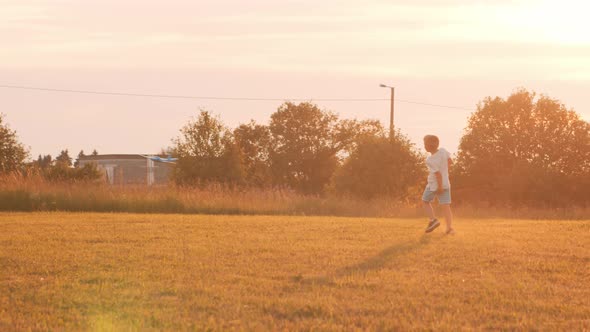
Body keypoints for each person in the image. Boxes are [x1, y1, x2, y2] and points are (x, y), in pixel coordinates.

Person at [422, 135, 454, 234]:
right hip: (446, 183)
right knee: (446, 206)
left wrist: (439, 187)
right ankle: (449, 229)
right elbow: (450, 162)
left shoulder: (430, 160)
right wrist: (445, 172)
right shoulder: (443, 151)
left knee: (425, 201)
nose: (424, 146)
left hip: (434, 185)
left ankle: (433, 220)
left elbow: (437, 175)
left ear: (428, 146)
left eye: (424, 144)